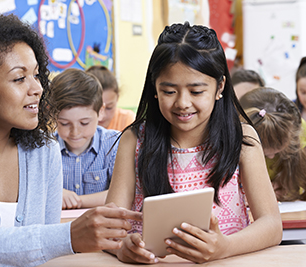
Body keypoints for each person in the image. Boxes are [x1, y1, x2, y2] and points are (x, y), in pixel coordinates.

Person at [0, 14, 142, 265]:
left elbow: (44, 257)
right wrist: (67, 237)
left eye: (37, 75)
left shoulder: (43, 149)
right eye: (20, 78)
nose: (38, 88)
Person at [105, 22, 282, 264]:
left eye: (196, 91)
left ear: (219, 86)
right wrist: (122, 248)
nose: (183, 103)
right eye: (169, 91)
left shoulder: (242, 139)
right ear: (154, 88)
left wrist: (225, 247)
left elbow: (272, 224)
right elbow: (109, 227)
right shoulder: (134, 140)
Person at [51, 68, 120, 209]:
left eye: (84, 123)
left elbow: (121, 194)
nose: (75, 132)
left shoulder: (114, 144)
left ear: (100, 112)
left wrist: (76, 201)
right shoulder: (45, 149)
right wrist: (54, 193)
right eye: (64, 123)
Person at [240, 87, 306, 201]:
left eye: (278, 151)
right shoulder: (229, 136)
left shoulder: (298, 129)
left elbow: (301, 181)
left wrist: (288, 188)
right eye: (264, 152)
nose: (271, 157)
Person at [86, 65, 135, 131]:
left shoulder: (127, 120)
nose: (103, 116)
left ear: (117, 98)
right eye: (96, 108)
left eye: (109, 107)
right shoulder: (76, 122)